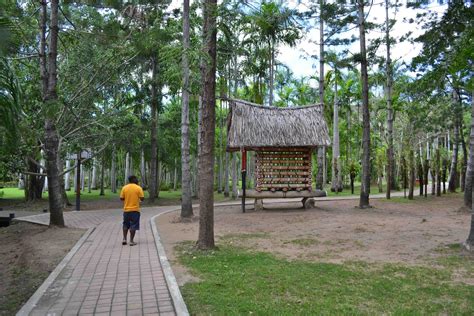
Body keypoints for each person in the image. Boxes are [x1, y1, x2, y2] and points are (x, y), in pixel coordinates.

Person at [120, 175, 144, 246]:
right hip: (135, 210)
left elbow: (121, 198)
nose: (137, 180)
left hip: (126, 210)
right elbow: (142, 198)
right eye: (136, 179)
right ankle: (131, 241)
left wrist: (127, 199)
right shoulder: (138, 188)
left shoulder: (124, 188)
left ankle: (124, 239)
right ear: (134, 179)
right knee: (133, 225)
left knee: (125, 224)